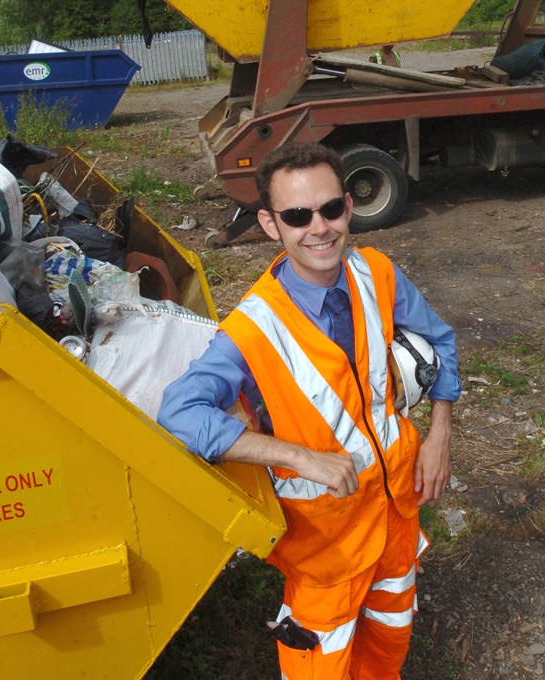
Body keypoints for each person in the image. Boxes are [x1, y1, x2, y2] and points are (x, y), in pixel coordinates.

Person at [158, 142, 461, 680]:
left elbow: (440, 338)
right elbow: (181, 412)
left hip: (396, 517)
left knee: (389, 642)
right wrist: (298, 456)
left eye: (330, 209)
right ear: (271, 225)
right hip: (326, 550)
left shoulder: (377, 274)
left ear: (349, 205)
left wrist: (439, 434)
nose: (318, 228)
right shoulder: (254, 329)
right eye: (297, 216)